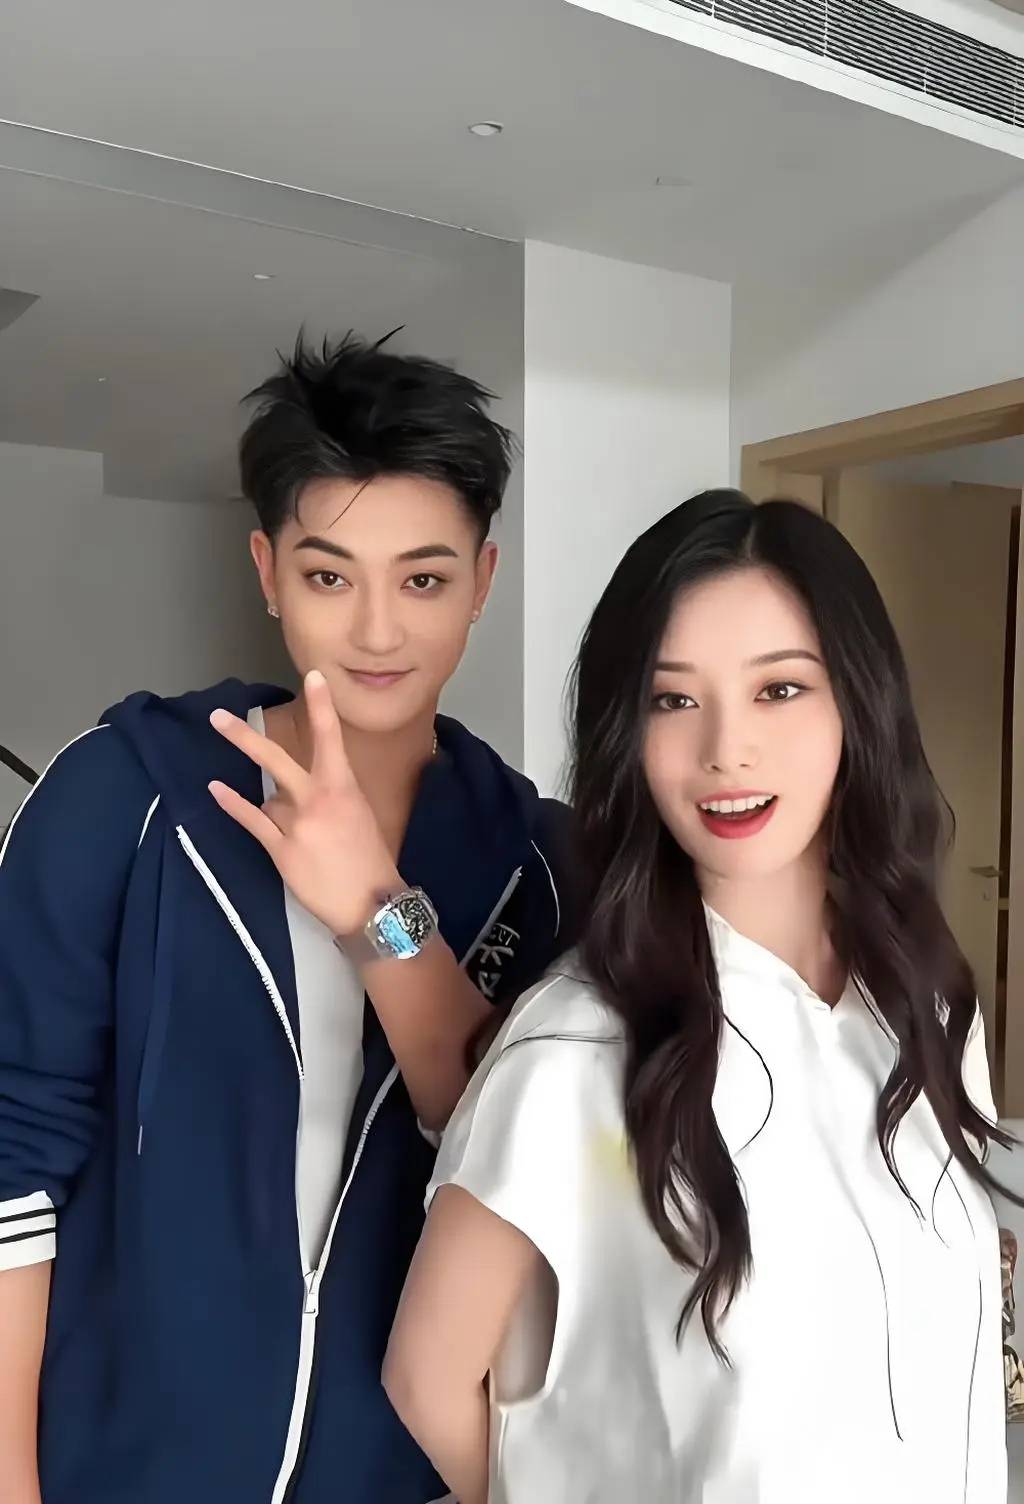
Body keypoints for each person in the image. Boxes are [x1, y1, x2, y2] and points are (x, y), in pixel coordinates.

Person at [0, 333, 572, 1504]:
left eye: (423, 579)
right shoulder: (121, 796)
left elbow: (517, 1156)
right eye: (329, 576)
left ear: (483, 580)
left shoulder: (539, 862)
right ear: (267, 570)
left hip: (401, 1474)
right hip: (123, 1473)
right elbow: (14, 1159)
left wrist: (378, 911)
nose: (377, 631)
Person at [385, 489, 1013, 1504]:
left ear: (858, 705)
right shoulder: (577, 1047)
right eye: (672, 700)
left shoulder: (929, 1006)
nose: (726, 748)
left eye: (779, 689)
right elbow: (426, 1376)